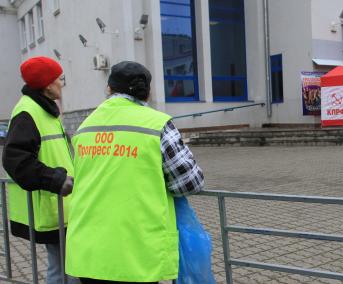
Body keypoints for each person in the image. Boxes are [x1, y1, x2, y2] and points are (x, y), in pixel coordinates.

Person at [66, 61, 204, 283]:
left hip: (88, 252)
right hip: (136, 252)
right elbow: (190, 182)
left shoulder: (85, 127)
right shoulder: (156, 123)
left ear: (109, 89)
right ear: (147, 93)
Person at [2, 57, 78, 284]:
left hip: (60, 206)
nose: (62, 84)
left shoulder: (44, 110)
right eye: (59, 79)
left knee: (64, 265)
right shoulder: (28, 112)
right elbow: (16, 161)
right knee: (63, 269)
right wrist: (55, 179)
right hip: (49, 206)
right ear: (47, 85)